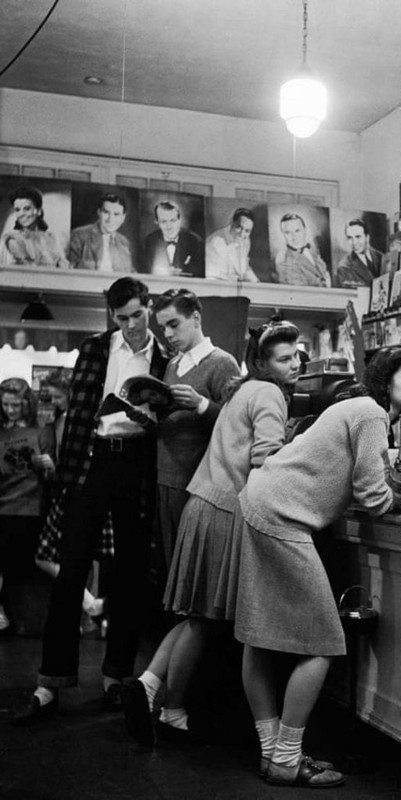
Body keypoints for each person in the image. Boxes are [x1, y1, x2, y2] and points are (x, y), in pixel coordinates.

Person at [234, 346, 401, 787]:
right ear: (387, 382)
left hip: (260, 502)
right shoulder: (371, 414)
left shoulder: (364, 411)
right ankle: (286, 757)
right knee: (323, 640)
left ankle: (271, 753)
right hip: (283, 515)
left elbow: (362, 482)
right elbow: (374, 495)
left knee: (258, 636)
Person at [121, 321, 301, 747]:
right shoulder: (271, 393)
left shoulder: (243, 388)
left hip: (200, 503)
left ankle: (148, 684)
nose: (293, 364)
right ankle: (172, 709)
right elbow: (266, 462)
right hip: (224, 510)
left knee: (194, 616)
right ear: (263, 362)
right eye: (283, 358)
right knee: (204, 620)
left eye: (296, 355)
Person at [12, 277, 168, 726]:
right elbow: (80, 415)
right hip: (93, 461)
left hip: (138, 465)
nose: (133, 325)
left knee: (130, 575)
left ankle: (116, 677)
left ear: (149, 308)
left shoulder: (163, 355)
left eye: (139, 315)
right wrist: (67, 478)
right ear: (111, 317)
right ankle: (49, 683)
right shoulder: (96, 348)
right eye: (123, 318)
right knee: (69, 572)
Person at [153, 288, 240, 571]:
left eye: (173, 324)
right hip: (166, 476)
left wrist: (200, 403)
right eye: (163, 327)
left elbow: (235, 426)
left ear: (196, 318)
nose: (167, 334)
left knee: (193, 568)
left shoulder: (222, 363)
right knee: (169, 567)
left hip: (197, 483)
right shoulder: (173, 365)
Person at [35, 370, 108, 623]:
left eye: (57, 396)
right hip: (67, 492)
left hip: (70, 493)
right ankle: (89, 606)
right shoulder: (63, 420)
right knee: (72, 557)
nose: (53, 402)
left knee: (51, 557)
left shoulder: (68, 420)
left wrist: (54, 468)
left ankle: (88, 607)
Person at [0, 378, 54, 633]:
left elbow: (51, 477)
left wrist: (49, 466)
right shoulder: (2, 430)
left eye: (15, 405)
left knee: (23, 567)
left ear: (26, 404)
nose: (10, 410)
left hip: (30, 506)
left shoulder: (40, 430)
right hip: (4, 504)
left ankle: (23, 619)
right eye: (6, 405)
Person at [1, 186, 69, 268]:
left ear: (38, 211)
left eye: (27, 209)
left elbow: (62, 264)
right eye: (18, 210)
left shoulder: (51, 238)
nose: (21, 214)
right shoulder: (13, 240)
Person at [69, 192, 134, 272]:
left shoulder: (124, 241)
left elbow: (129, 272)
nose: (110, 219)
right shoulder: (80, 235)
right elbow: (69, 270)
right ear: (99, 213)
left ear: (123, 218)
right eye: (106, 212)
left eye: (116, 214)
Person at [143, 201, 204, 277]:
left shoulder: (195, 241)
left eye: (173, 221)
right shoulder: (149, 241)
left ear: (180, 220)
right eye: (164, 222)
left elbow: (198, 274)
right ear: (156, 222)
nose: (169, 227)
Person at [275, 213, 331, 287]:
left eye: (297, 230)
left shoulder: (312, 248)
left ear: (305, 230)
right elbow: (303, 294)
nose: (294, 236)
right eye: (288, 232)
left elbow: (323, 271)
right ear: (283, 234)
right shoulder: (285, 263)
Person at [205, 208, 258, 281]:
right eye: (239, 227)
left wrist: (256, 282)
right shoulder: (215, 243)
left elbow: (245, 267)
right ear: (232, 223)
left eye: (247, 231)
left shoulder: (245, 240)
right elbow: (214, 277)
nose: (242, 234)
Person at [335, 218, 383, 288]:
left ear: (367, 237)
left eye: (358, 237)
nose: (354, 242)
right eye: (349, 238)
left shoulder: (381, 257)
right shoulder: (344, 268)